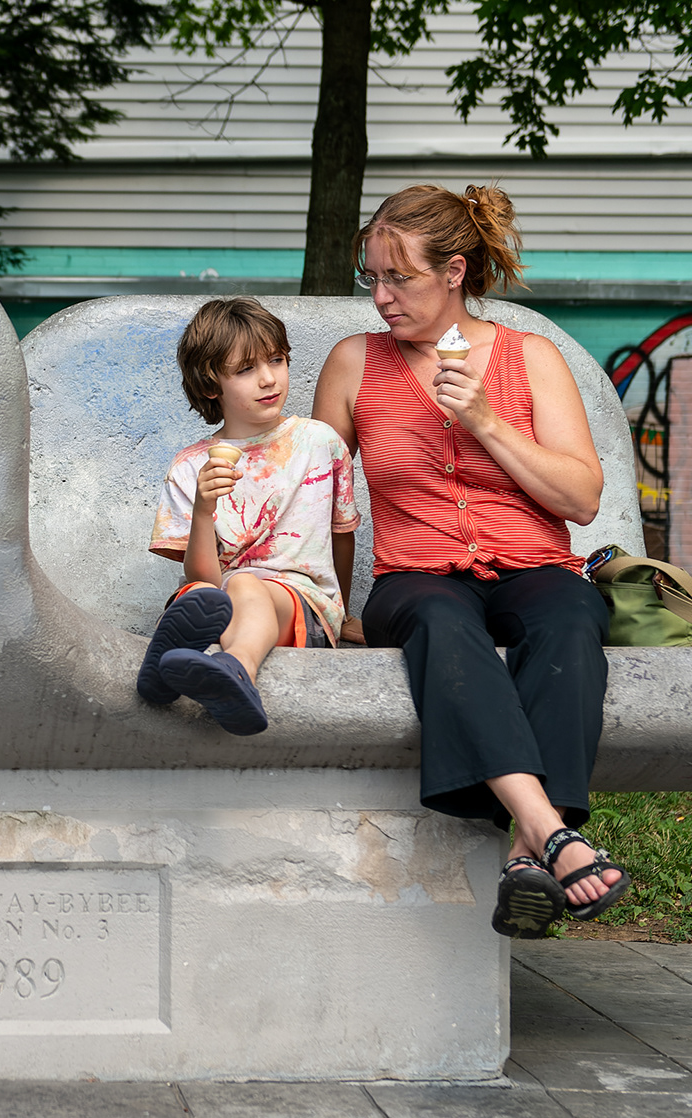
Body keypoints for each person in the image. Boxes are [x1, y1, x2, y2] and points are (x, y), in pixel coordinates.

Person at [313, 183, 631, 938]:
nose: (381, 297)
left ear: (454, 271)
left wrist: (485, 419)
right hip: (413, 580)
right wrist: (320, 598)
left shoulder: (531, 358)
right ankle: (555, 835)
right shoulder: (356, 362)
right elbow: (314, 490)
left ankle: (526, 854)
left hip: (534, 566)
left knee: (571, 616)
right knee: (440, 621)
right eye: (373, 278)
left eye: (400, 277)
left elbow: (582, 498)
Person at [136, 297, 361, 735]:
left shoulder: (319, 443)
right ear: (209, 386)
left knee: (242, 583)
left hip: (298, 605)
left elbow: (341, 536)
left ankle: (233, 667)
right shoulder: (190, 467)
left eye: (276, 360)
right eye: (245, 370)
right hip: (218, 597)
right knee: (211, 595)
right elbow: (201, 576)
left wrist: (341, 612)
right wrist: (204, 509)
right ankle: (185, 667)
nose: (268, 378)